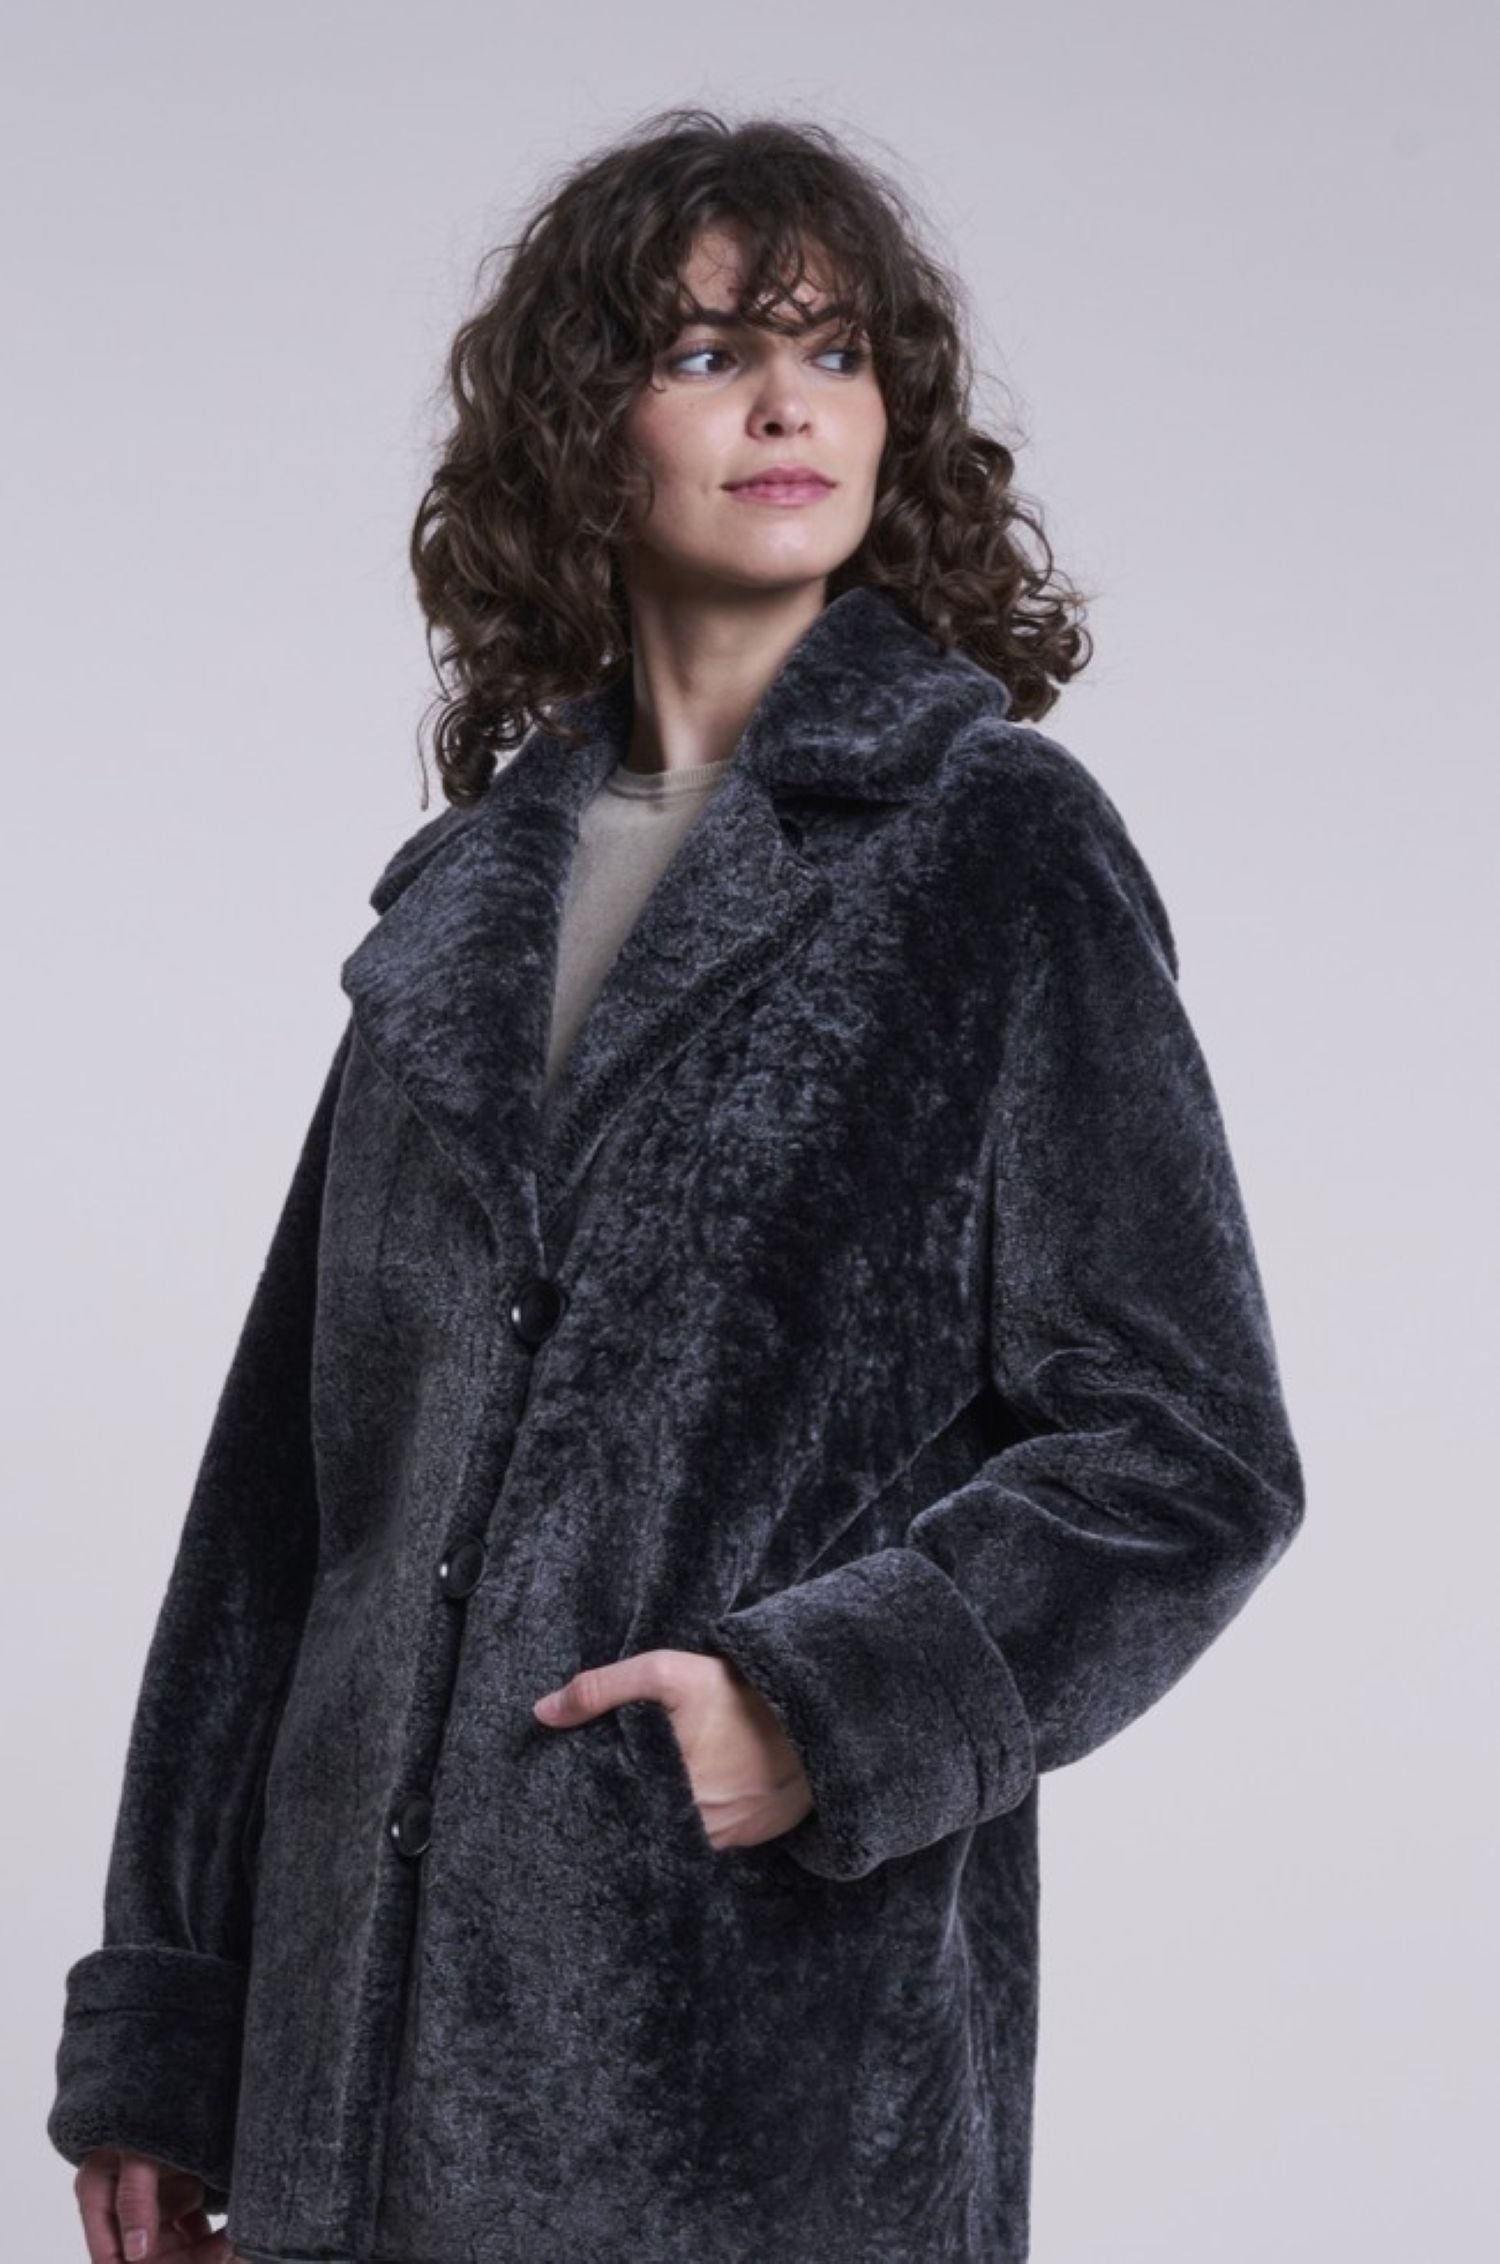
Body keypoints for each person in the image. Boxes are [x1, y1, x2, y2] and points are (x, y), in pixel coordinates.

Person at [49, 106, 1305, 2264]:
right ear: (582, 429)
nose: (789, 403)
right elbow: (278, 1521)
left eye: (835, 350)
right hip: (346, 2090)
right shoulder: (452, 917)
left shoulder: (993, 849)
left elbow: (1188, 1447)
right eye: (710, 352)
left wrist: (819, 1709)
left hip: (752, 2076)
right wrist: (170, 2043)